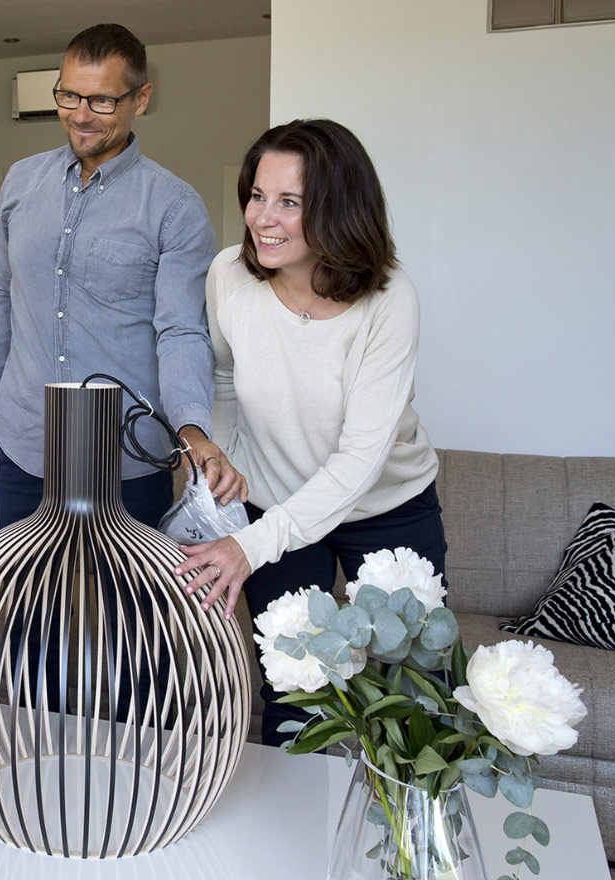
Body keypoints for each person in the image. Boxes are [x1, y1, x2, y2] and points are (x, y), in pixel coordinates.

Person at [174, 119, 447, 746]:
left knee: (412, 692)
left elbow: (359, 460)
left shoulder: (389, 298)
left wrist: (249, 546)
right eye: (257, 195)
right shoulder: (229, 277)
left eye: (289, 202)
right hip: (276, 501)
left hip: (387, 507)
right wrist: (217, 452)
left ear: (338, 209)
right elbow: (219, 376)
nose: (262, 218)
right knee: (297, 695)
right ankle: (294, 838)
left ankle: (401, 839)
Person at [0, 22, 244, 531]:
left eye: (101, 101)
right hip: (25, 442)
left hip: (128, 454)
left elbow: (181, 330)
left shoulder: (174, 206)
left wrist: (192, 430)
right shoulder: (20, 181)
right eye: (68, 95)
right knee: (29, 604)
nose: (79, 116)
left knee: (127, 607)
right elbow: (0, 290)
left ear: (140, 98)